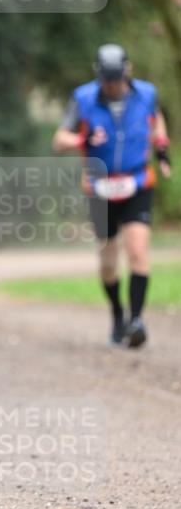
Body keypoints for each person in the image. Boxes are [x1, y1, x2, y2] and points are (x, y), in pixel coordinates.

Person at [52, 44, 172, 348]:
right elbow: (59, 140)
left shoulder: (146, 93)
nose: (112, 86)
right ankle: (118, 314)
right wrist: (83, 138)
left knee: (137, 252)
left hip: (137, 182)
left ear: (127, 72)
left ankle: (137, 320)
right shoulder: (83, 98)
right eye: (107, 80)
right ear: (99, 77)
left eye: (116, 79)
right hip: (99, 187)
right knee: (108, 260)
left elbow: (156, 119)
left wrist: (161, 147)